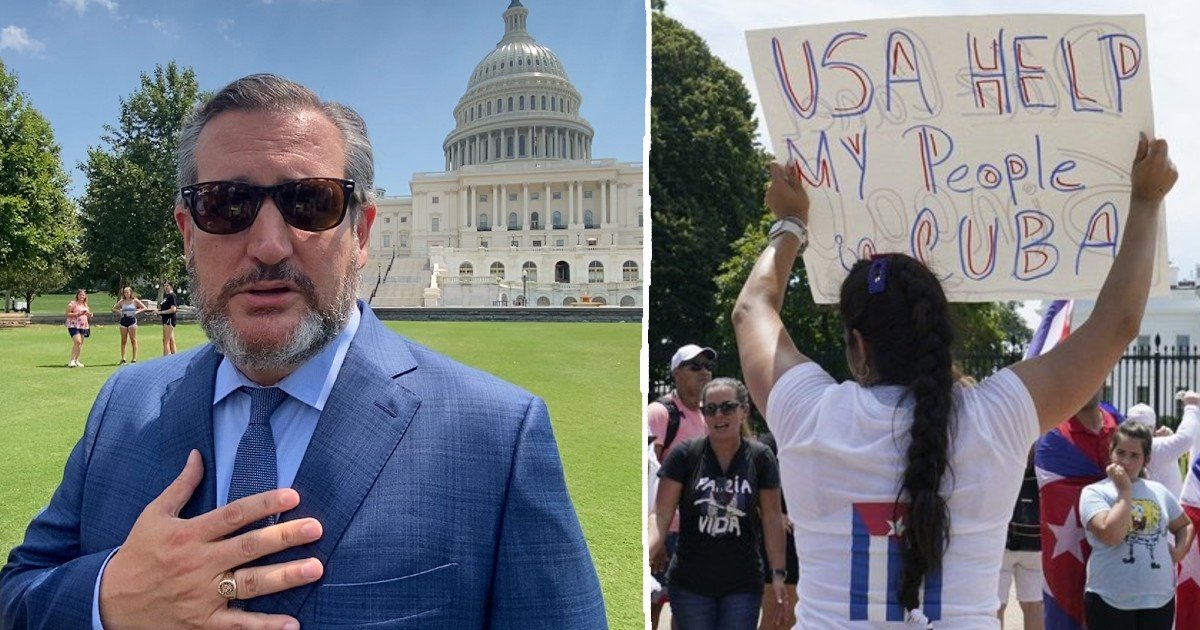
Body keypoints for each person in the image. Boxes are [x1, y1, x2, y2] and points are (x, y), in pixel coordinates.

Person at [0, 74, 605, 629]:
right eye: (226, 205)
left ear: (361, 232)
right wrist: (107, 598)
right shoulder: (123, 405)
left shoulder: (496, 439)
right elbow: (16, 596)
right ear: (188, 233)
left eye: (310, 203)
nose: (267, 245)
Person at [731, 133, 1177, 626]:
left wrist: (790, 223)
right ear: (938, 337)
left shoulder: (809, 413)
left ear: (858, 346)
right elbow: (1117, 325)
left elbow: (752, 308)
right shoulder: (996, 417)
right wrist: (1145, 199)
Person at [649, 377, 787, 630]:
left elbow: (772, 518)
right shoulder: (685, 455)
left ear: (743, 411)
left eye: (728, 407)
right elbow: (661, 514)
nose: (718, 415)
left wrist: (778, 574)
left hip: (742, 584)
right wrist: (644, 552)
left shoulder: (760, 458)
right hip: (691, 582)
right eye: (710, 409)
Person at [1079, 422, 1194, 628]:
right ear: (1111, 452)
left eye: (1134, 456)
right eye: (1121, 453)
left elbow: (1184, 525)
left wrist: (1178, 553)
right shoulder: (1094, 492)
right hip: (1109, 599)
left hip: (1159, 600)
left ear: (1146, 459)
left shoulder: (1158, 490)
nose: (1125, 461)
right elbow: (1111, 534)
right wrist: (1124, 492)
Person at [647, 343, 716, 628]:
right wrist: (654, 536)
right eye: (695, 366)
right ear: (676, 373)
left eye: (708, 367)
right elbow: (646, 473)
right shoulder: (660, 414)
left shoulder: (710, 417)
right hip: (665, 531)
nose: (704, 373)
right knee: (650, 606)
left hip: (697, 534)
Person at [756, 431, 798, 630]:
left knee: (794, 618)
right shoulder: (770, 444)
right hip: (781, 541)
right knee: (778, 616)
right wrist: (775, 513)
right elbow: (749, 486)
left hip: (809, 538)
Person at [997, 449, 1043, 630]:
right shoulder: (1046, 450)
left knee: (995, 607)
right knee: (1034, 606)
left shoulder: (1002, 446)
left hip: (1001, 540)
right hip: (1036, 541)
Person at [1126, 401, 1199, 499]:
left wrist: (1169, 438)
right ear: (1154, 427)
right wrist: (1191, 406)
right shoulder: (1155, 446)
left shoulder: (1125, 445)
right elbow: (1186, 439)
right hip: (1166, 510)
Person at [111, 286, 148, 364]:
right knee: (123, 340)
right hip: (123, 320)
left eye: (128, 292)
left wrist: (137, 312)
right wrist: (120, 312)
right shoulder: (122, 301)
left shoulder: (135, 301)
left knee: (133, 340)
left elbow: (145, 308)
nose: (126, 294)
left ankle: (134, 359)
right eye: (125, 292)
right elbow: (114, 308)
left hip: (132, 320)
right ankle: (123, 359)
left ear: (131, 293)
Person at [64, 289, 91, 368]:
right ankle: (72, 360)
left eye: (83, 295)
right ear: (77, 296)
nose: (82, 296)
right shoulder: (73, 304)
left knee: (80, 343)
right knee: (77, 341)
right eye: (80, 295)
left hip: (83, 325)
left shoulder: (85, 305)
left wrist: (89, 314)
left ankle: (77, 360)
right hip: (73, 325)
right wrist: (77, 314)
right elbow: (67, 313)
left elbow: (87, 314)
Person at [156, 281, 179, 356]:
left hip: (169, 319)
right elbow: (164, 308)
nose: (166, 287)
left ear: (171, 287)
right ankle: (175, 358)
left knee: (165, 341)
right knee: (171, 340)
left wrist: (161, 312)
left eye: (167, 285)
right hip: (165, 320)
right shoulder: (167, 296)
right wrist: (158, 311)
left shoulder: (172, 296)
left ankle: (165, 359)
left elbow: (173, 309)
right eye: (165, 286)